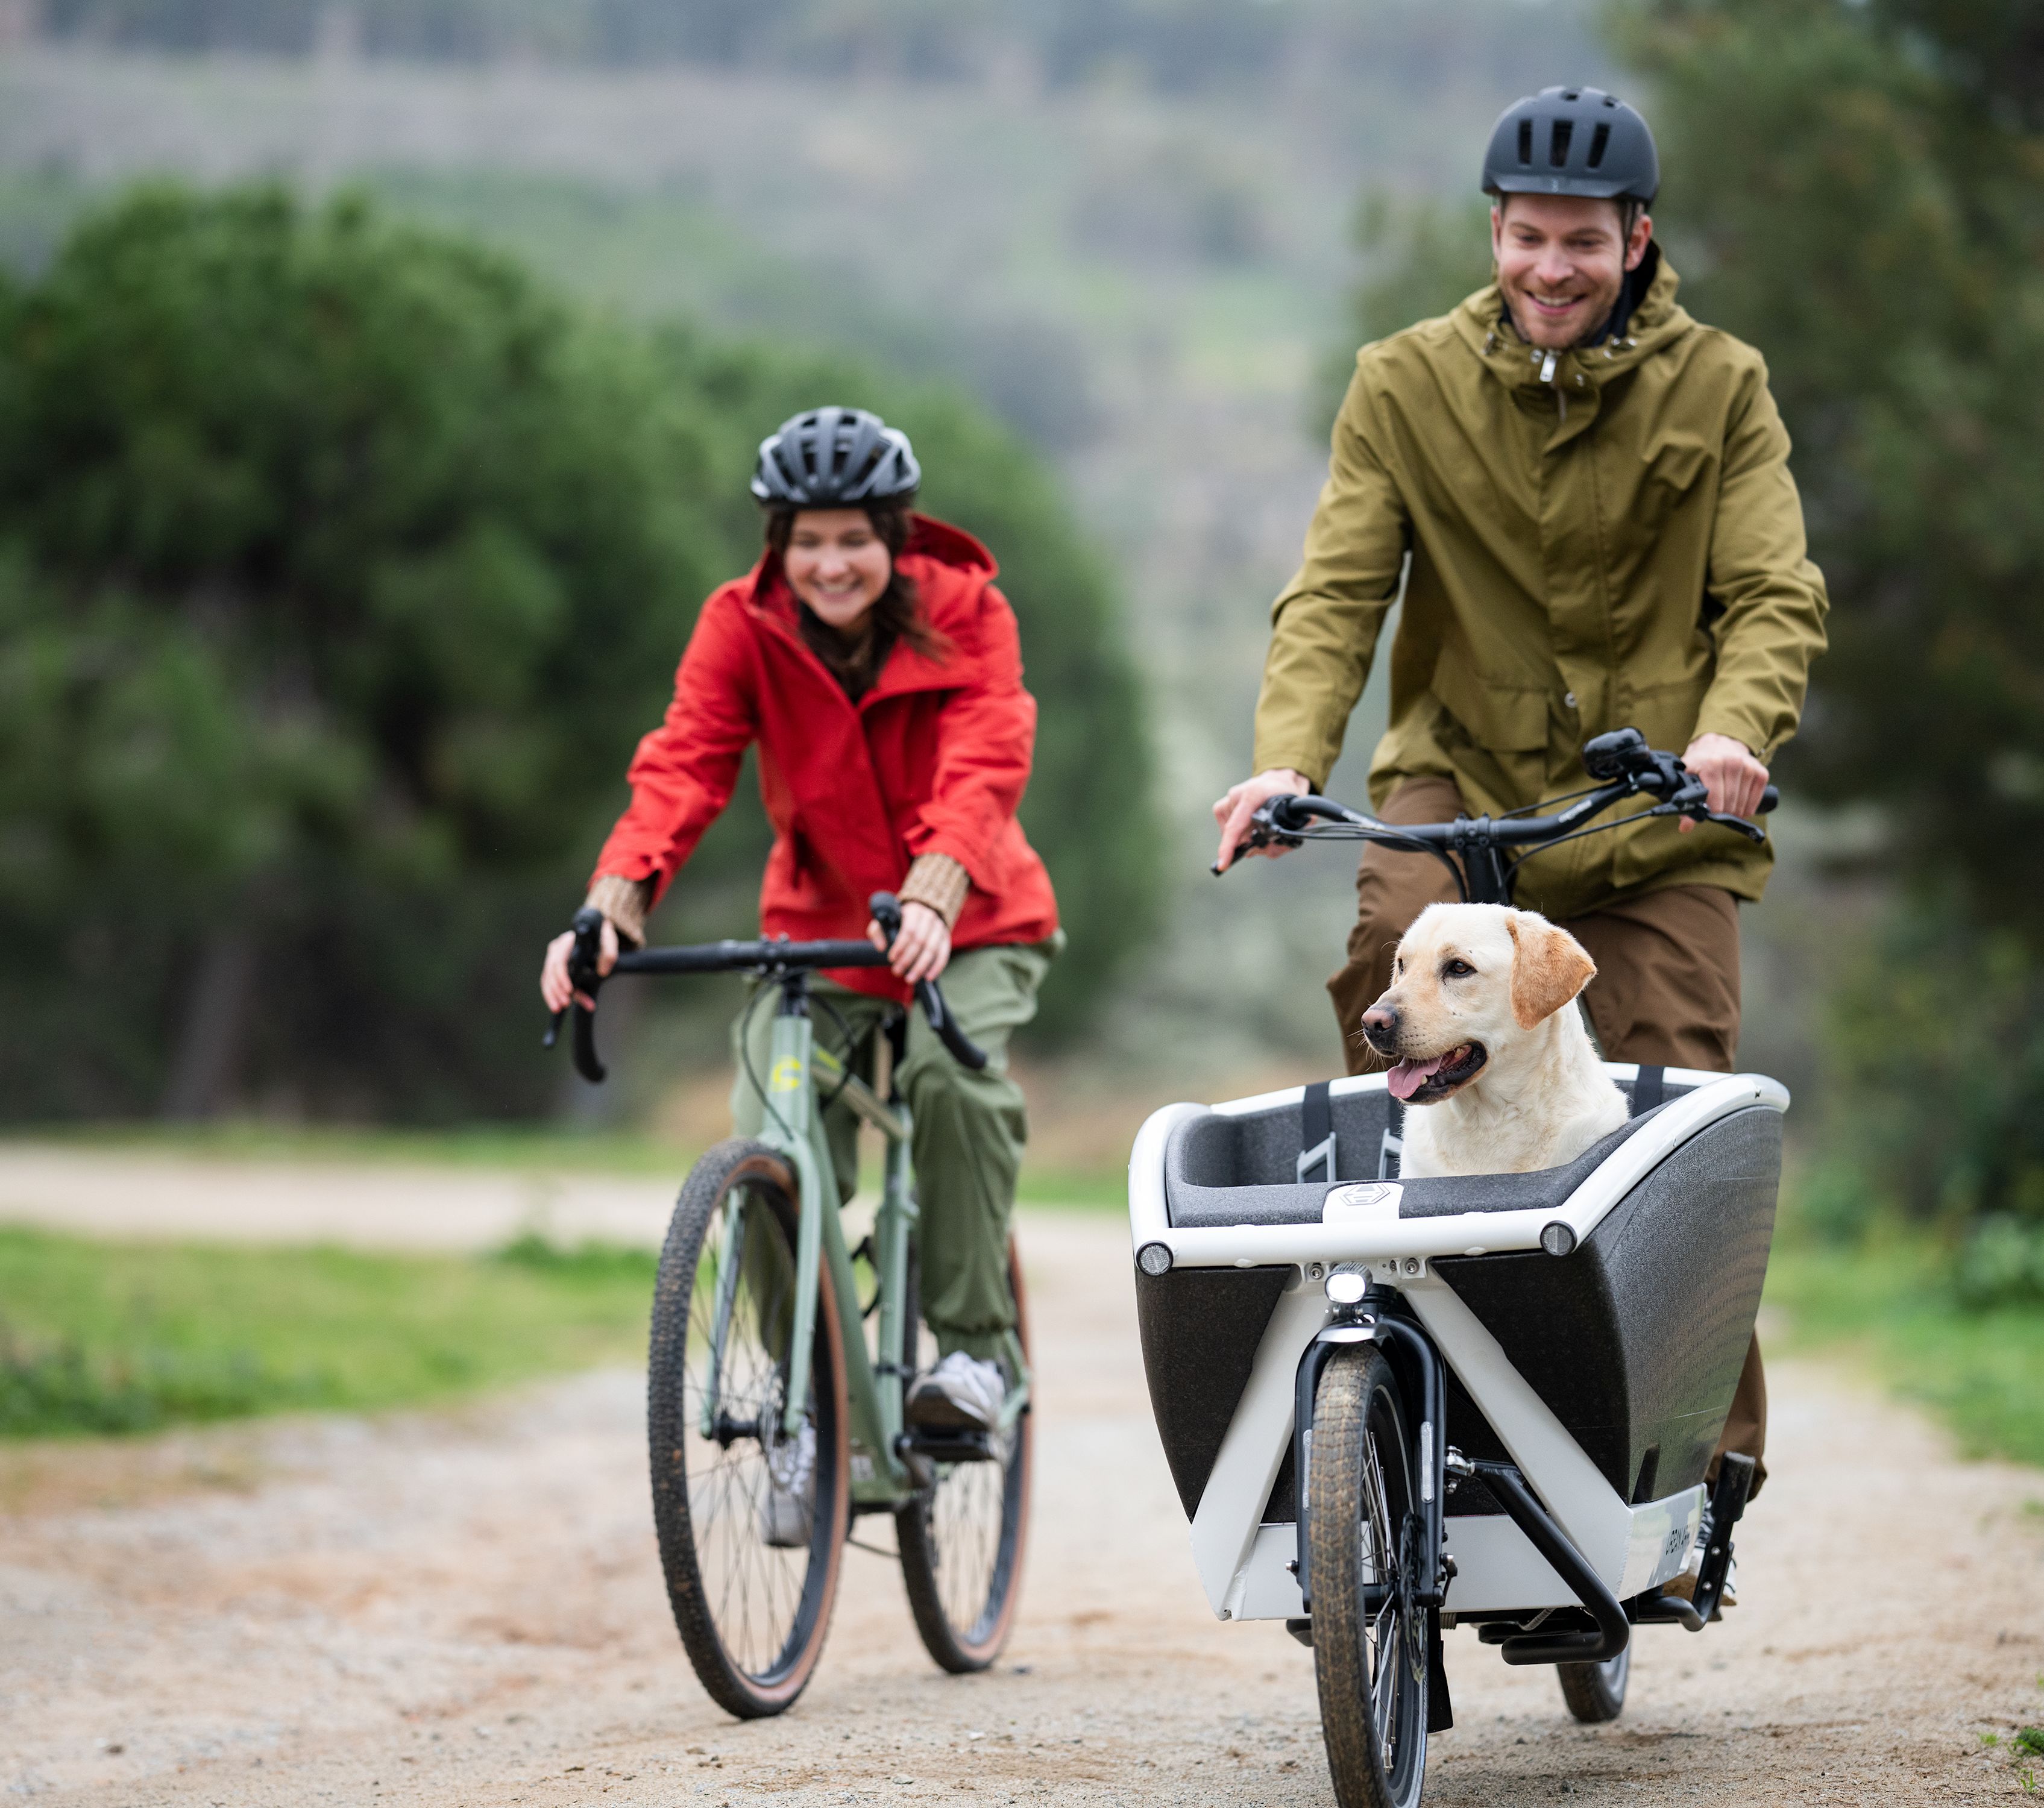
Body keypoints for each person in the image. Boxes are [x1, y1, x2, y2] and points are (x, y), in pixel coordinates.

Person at [1212, 87, 1828, 1516]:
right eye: (1525, 238)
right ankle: (1390, 1386)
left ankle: (1696, 1456)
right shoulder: (1404, 381)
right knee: (1390, 979)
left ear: (1636, 240)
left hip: (1657, 800)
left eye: (1581, 244)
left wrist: (1734, 733)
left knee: (1679, 1089)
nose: (1550, 269)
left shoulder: (1718, 385)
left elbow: (1772, 594)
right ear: (1492, 233)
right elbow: (1338, 589)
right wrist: (1287, 758)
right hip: (1459, 780)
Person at [541, 406, 1062, 1437]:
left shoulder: (970, 612)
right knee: (770, 1136)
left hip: (976, 919)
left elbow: (986, 760)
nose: (832, 565)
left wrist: (935, 887)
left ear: (895, 537)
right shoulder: (739, 625)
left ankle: (972, 1356)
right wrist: (613, 907)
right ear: (777, 544)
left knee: (948, 1078)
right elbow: (684, 764)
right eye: (809, 541)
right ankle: (806, 1399)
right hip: (820, 929)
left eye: (854, 539)